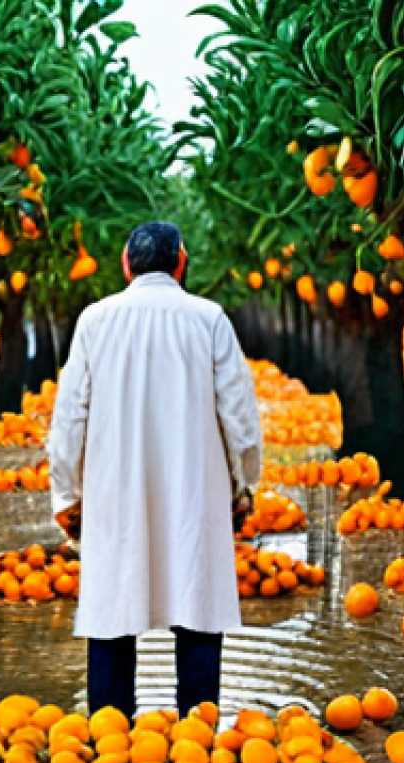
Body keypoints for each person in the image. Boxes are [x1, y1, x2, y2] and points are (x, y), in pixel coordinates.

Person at [48, 221, 262, 718]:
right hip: (196, 492)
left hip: (114, 494)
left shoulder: (95, 321)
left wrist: (67, 493)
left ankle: (109, 745)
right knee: (198, 607)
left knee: (112, 613)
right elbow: (240, 417)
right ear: (181, 263)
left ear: (126, 265)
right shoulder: (209, 320)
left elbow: (69, 418)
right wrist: (243, 484)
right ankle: (200, 737)